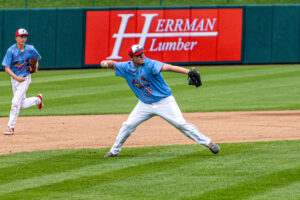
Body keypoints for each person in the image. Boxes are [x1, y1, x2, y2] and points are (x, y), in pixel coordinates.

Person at [100, 44, 219, 157]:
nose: (142, 56)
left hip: (164, 102)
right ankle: (114, 151)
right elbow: (113, 65)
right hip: (144, 104)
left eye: (142, 54)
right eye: (138, 55)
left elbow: (169, 67)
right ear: (131, 58)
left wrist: (188, 72)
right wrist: (104, 63)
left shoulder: (150, 64)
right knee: (128, 125)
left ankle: (209, 143)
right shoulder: (126, 67)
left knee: (180, 123)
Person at [2, 28, 43, 135]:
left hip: (25, 78)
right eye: (21, 36)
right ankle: (37, 100)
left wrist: (35, 68)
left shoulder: (31, 49)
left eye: (25, 36)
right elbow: (6, 68)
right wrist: (16, 78)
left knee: (15, 102)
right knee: (21, 104)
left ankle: (10, 127)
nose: (23, 38)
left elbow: (36, 59)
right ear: (16, 38)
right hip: (15, 79)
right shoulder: (10, 51)